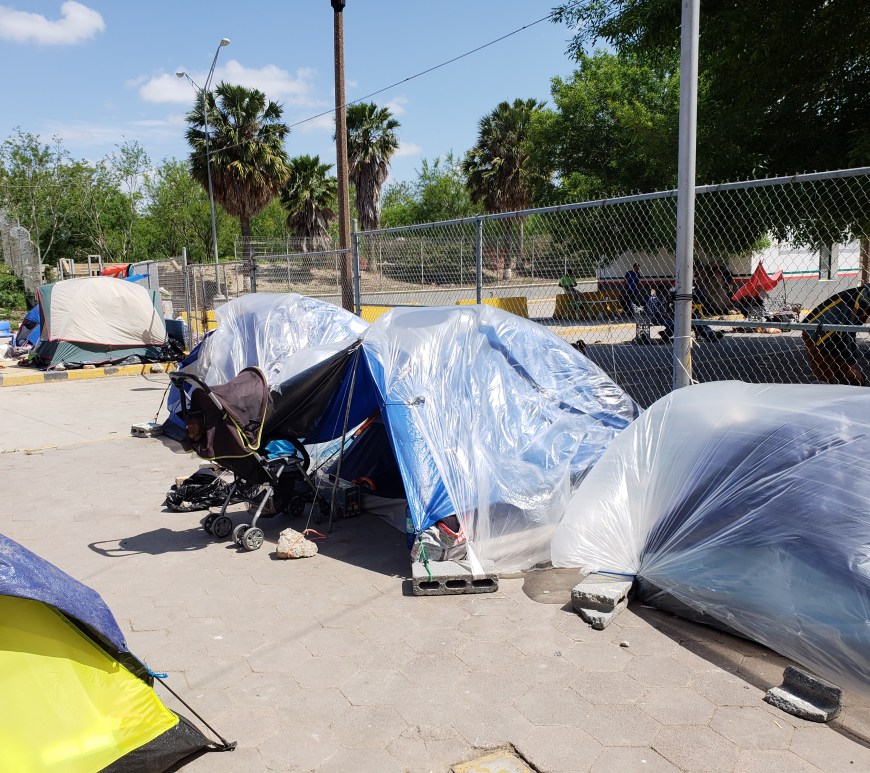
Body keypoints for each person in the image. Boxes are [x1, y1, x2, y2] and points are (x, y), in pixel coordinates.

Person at [801, 284, 870, 386]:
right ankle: (824, 390)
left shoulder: (861, 296)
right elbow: (848, 333)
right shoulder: (861, 299)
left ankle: (850, 389)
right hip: (817, 333)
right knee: (825, 375)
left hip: (836, 335)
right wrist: (851, 364)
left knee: (848, 374)